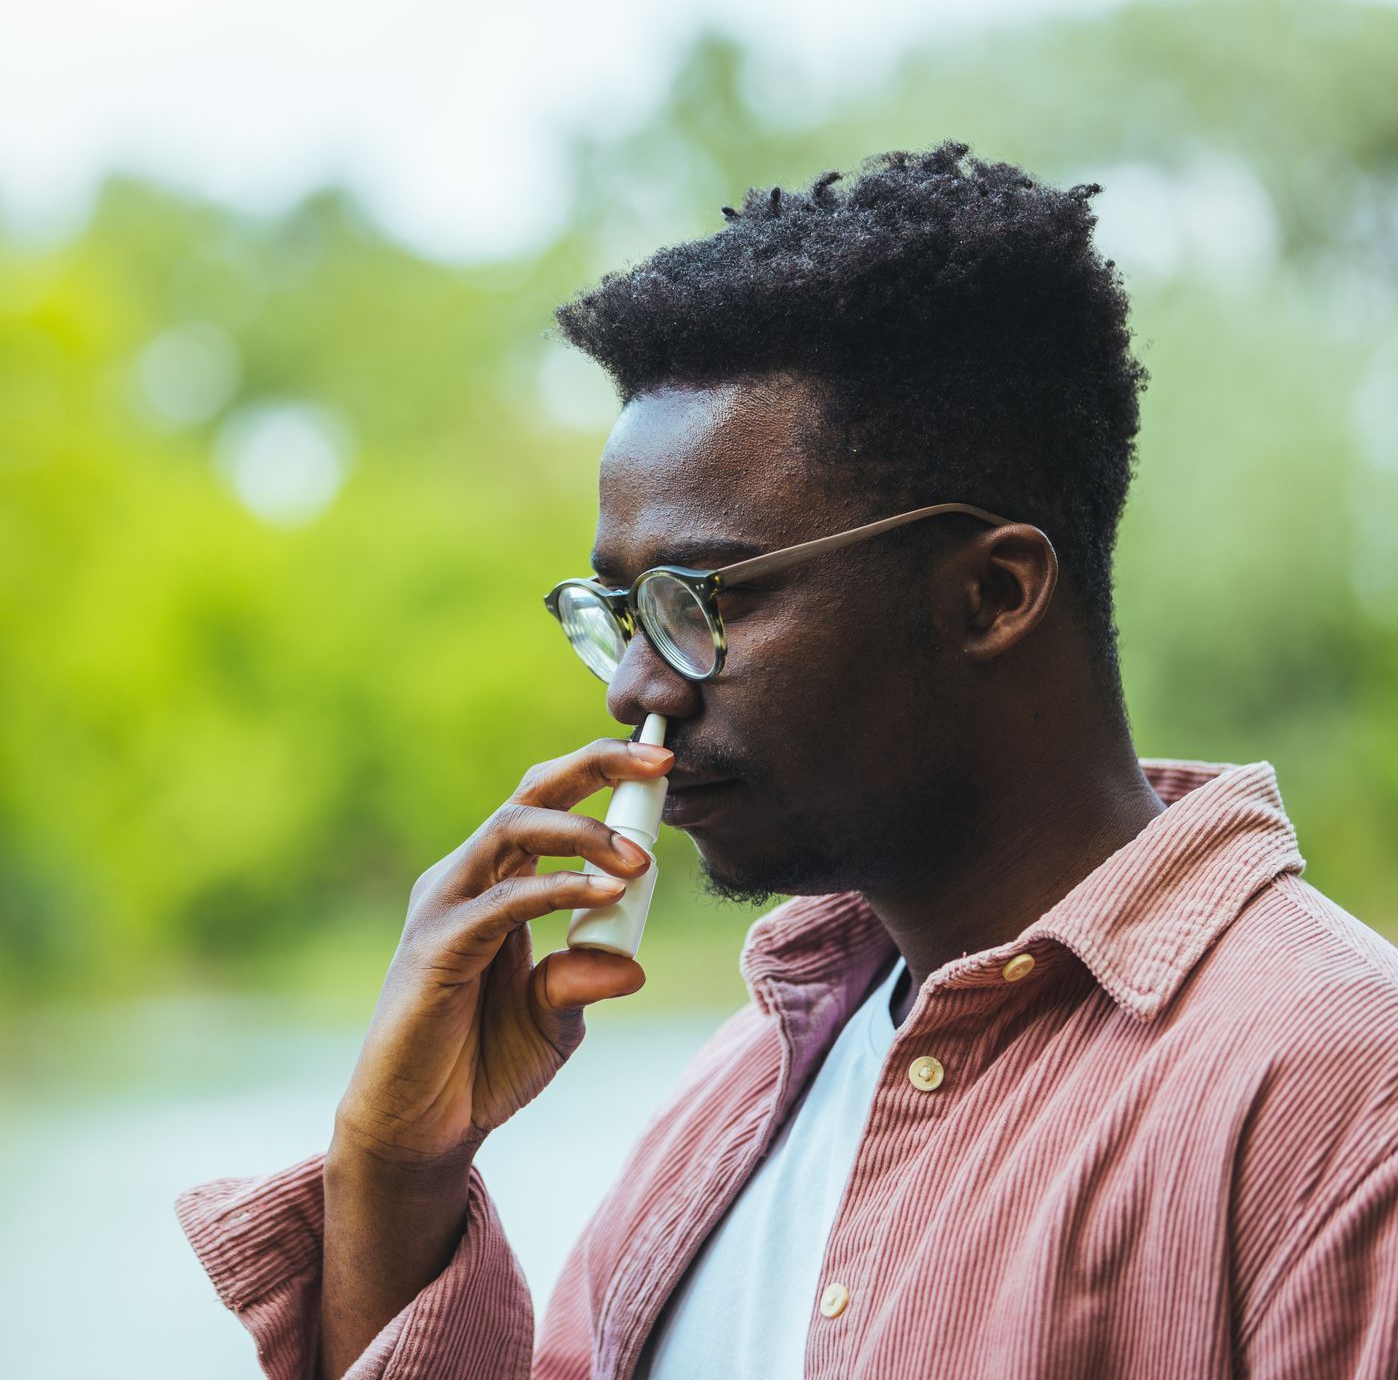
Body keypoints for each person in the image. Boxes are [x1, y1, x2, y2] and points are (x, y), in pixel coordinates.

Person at [175, 143, 1398, 1379]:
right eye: (619, 610)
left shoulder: (1342, 1099)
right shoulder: (747, 1085)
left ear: (992, 592)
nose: (635, 687)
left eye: (701, 600)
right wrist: (396, 1172)